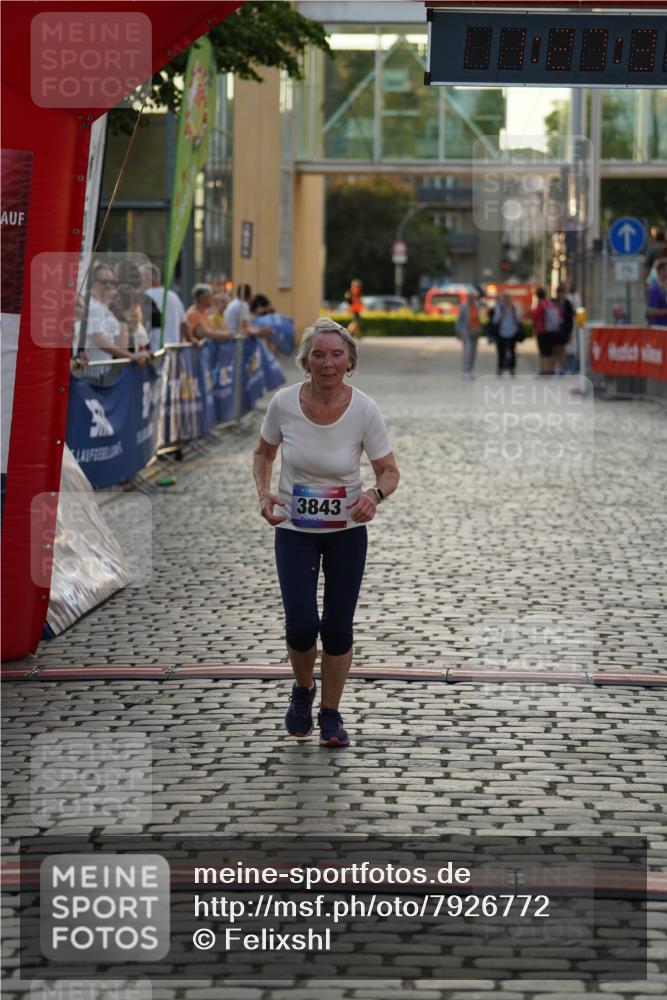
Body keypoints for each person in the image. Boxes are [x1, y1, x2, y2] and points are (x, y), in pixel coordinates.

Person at [252, 317, 400, 747]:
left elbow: (389, 469)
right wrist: (264, 495)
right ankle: (302, 690)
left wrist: (374, 495)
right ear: (306, 361)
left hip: (346, 531)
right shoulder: (283, 403)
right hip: (295, 528)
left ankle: (331, 714)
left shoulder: (364, 409)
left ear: (350, 361)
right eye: (319, 354)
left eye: (337, 354)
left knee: (337, 628)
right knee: (300, 626)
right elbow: (262, 454)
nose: (328, 363)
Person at [84, 263, 135, 363]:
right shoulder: (93, 306)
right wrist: (131, 356)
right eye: (104, 282)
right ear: (93, 282)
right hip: (91, 372)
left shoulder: (102, 306)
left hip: (101, 369)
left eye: (112, 282)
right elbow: (98, 341)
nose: (109, 285)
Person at [140, 264, 189, 351]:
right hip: (173, 349)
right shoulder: (173, 296)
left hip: (155, 350)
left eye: (140, 278)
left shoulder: (146, 296)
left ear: (149, 278)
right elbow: (184, 325)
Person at [491, 292, 521, 377]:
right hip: (501, 332)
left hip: (512, 332)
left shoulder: (514, 308)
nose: (508, 301)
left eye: (509, 299)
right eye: (506, 299)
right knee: (501, 351)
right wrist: (503, 313)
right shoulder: (499, 308)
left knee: (512, 351)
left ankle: (512, 368)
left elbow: (519, 319)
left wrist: (514, 315)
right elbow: (495, 320)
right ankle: (500, 368)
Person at [454, 289, 481, 379]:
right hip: (466, 332)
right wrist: (458, 332)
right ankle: (465, 371)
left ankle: (470, 370)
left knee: (473, 352)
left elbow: (478, 319)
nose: (472, 299)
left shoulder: (477, 306)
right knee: (467, 351)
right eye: (470, 297)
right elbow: (458, 320)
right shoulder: (464, 306)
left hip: (475, 331)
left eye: (473, 298)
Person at [530, 287, 555, 376]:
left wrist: (532, 308)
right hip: (551, 329)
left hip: (542, 330)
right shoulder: (549, 303)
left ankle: (545, 369)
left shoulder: (540, 304)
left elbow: (534, 315)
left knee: (543, 350)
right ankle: (551, 368)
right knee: (550, 350)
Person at [552, 284, 574, 375]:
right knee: (555, 348)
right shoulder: (553, 302)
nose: (561, 294)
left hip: (563, 328)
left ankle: (563, 367)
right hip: (554, 329)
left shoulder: (567, 303)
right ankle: (555, 366)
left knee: (562, 348)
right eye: (559, 292)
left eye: (562, 292)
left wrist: (569, 331)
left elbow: (569, 318)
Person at [646, 259, 667, 326]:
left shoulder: (665, 286)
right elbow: (652, 311)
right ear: (661, 271)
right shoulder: (654, 288)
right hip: (659, 328)